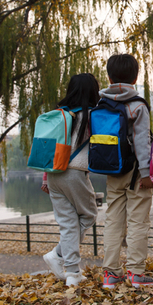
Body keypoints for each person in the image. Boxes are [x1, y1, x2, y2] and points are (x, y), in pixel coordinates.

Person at [99, 54, 153, 289]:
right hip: (135, 171)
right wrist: (146, 173)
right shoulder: (138, 105)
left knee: (113, 219)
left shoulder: (101, 103)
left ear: (109, 77)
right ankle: (136, 272)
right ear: (135, 77)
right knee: (137, 220)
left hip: (112, 169)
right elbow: (142, 142)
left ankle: (111, 273)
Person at [41, 73, 100, 287]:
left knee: (67, 223)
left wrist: (46, 178)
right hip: (75, 172)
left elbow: (50, 148)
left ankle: (73, 274)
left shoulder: (59, 115)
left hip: (54, 173)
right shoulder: (92, 115)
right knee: (88, 215)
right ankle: (58, 254)